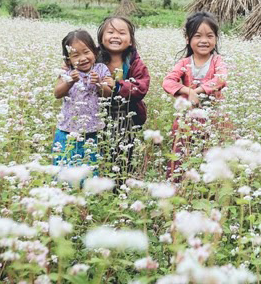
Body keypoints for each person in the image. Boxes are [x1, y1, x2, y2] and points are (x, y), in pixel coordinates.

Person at [162, 11, 228, 179]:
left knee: (211, 153)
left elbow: (221, 79)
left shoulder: (217, 61)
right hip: (187, 120)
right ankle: (178, 185)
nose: (204, 41)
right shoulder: (184, 63)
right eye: (198, 36)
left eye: (210, 36)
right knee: (182, 153)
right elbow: (168, 81)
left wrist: (197, 91)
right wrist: (188, 91)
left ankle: (208, 189)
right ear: (188, 39)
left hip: (213, 118)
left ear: (215, 39)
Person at [97, 16, 150, 176]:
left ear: (131, 41)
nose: (115, 36)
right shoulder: (94, 58)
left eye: (121, 33)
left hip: (126, 115)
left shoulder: (134, 62)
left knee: (123, 152)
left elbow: (142, 86)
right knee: (100, 150)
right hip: (98, 114)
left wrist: (119, 86)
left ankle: (120, 184)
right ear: (101, 38)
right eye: (110, 32)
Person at [53, 30, 111, 168]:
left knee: (89, 167)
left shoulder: (101, 69)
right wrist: (69, 81)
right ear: (68, 60)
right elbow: (57, 93)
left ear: (95, 53)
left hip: (92, 131)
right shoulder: (67, 72)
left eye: (86, 52)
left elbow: (108, 94)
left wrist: (98, 84)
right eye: (76, 55)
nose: (83, 58)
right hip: (67, 130)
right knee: (64, 166)